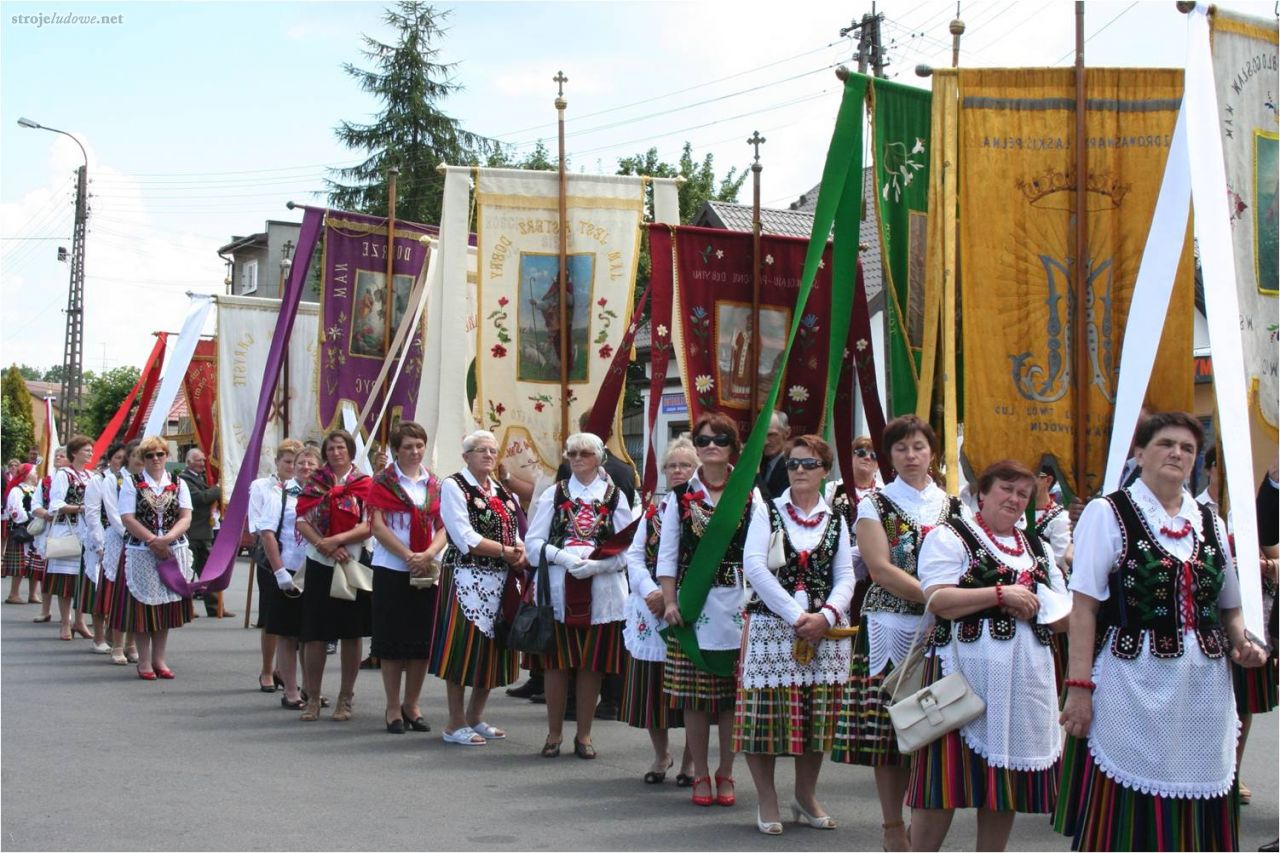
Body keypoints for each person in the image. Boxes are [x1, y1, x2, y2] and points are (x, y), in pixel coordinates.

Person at [1054, 412, 1268, 851]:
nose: (1177, 453)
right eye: (1166, 444)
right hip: (1131, 680)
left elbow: (1228, 607)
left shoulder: (1210, 521)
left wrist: (1243, 640)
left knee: (1200, 791)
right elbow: (1084, 608)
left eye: (1188, 448)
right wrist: (1079, 688)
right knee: (1128, 809)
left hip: (1204, 688)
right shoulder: (1108, 512)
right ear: (1140, 453)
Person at [907, 460, 1071, 851]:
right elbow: (937, 598)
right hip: (959, 675)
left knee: (1004, 782)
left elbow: (1065, 615)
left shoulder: (1038, 548)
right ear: (983, 492)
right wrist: (999, 595)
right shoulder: (950, 536)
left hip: (1021, 682)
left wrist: (1041, 608)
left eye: (1023, 495)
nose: (1014, 500)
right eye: (1006, 490)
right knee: (941, 784)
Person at [830, 414, 964, 852]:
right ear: (890, 456)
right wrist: (936, 598)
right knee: (890, 733)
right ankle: (891, 825)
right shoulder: (876, 504)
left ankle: (921, 824)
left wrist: (948, 604)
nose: (911, 456)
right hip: (891, 623)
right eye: (901, 448)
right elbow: (881, 570)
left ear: (933, 453)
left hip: (940, 630)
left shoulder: (954, 505)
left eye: (919, 447)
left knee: (933, 723)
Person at [738, 434, 855, 835]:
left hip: (823, 629)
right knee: (765, 717)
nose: (800, 471)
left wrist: (826, 615)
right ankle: (767, 797)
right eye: (793, 464)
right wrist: (795, 614)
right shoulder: (766, 510)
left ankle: (805, 795)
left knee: (814, 716)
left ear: (825, 471)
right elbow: (754, 566)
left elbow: (846, 577)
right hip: (773, 625)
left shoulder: (836, 518)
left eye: (808, 464)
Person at [657, 413, 758, 809]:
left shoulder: (750, 492)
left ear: (733, 446)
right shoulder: (680, 497)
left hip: (739, 602)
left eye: (720, 438)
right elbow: (667, 556)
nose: (711, 445)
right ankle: (699, 771)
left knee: (733, 699)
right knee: (696, 700)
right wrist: (668, 601)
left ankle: (726, 771)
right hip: (693, 603)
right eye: (703, 440)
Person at [525, 432, 633, 759]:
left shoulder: (615, 497)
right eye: (572, 453)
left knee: (591, 665)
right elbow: (532, 545)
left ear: (599, 457)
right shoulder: (554, 495)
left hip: (602, 593)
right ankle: (554, 733)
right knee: (556, 664)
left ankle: (584, 735)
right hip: (559, 589)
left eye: (584, 453)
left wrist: (596, 567)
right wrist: (565, 558)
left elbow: (629, 550)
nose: (577, 458)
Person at [432, 429, 527, 745]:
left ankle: (475, 715)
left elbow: (513, 529)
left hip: (499, 579)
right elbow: (464, 537)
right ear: (466, 456)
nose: (488, 455)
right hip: (466, 578)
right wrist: (505, 551)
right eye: (481, 450)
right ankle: (454, 722)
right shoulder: (453, 486)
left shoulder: (499, 489)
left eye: (492, 450)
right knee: (461, 648)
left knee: (493, 648)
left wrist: (520, 549)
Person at [621, 437, 695, 784]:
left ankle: (691, 761)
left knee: (695, 689)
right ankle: (661, 754)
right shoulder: (653, 509)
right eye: (672, 465)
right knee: (653, 688)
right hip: (651, 608)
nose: (678, 471)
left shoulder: (703, 508)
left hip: (689, 607)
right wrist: (652, 592)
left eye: (685, 465)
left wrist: (674, 598)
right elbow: (634, 556)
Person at [367, 422, 448, 735]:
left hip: (427, 568)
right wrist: (408, 556)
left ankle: (412, 703)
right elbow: (377, 526)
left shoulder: (435, 484)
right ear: (396, 451)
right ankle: (392, 705)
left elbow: (444, 526)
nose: (415, 452)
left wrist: (427, 554)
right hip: (392, 567)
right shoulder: (382, 482)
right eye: (408, 447)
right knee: (391, 640)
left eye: (419, 446)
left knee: (420, 640)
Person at [295, 429, 373, 722]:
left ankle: (346, 697)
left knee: (351, 633)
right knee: (315, 634)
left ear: (350, 451)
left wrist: (338, 542)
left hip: (352, 561)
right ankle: (312, 697)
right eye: (331, 449)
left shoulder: (364, 484)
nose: (336, 453)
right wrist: (324, 545)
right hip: (320, 562)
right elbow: (302, 519)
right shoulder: (315, 483)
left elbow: (370, 524)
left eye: (341, 448)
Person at [117, 437, 196, 679]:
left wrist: (168, 538)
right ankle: (144, 661)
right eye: (150, 455)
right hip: (142, 551)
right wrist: (153, 540)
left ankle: (159, 659)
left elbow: (186, 516)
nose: (156, 459)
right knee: (144, 607)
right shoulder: (132, 483)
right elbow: (127, 517)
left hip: (172, 549)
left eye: (160, 454)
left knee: (164, 606)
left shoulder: (178, 483)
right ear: (143, 458)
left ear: (167, 456)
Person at [249, 439, 304, 696]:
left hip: (300, 561)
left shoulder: (306, 488)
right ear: (278, 462)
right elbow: (257, 524)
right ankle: (267, 669)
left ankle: (286, 671)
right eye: (288, 462)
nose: (292, 466)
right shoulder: (263, 486)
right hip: (272, 559)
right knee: (273, 618)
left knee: (296, 622)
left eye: (297, 462)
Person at [46, 436, 96, 643]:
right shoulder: (63, 475)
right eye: (86, 450)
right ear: (74, 453)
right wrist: (81, 508)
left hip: (86, 533)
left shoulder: (91, 476)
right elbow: (55, 504)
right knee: (66, 580)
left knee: (82, 580)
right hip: (68, 530)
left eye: (91, 450)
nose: (90, 453)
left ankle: (79, 620)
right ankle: (65, 622)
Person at [82, 443, 129, 656]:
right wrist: (100, 543)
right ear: (110, 459)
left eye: (124, 458)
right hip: (102, 538)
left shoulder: (128, 480)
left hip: (123, 540)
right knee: (101, 588)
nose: (121, 461)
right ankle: (99, 636)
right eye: (118, 458)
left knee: (118, 591)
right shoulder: (99, 480)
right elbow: (92, 513)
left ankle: (114, 634)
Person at [179, 448, 229, 618]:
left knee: (209, 573)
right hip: (191, 533)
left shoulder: (200, 478)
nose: (202, 463)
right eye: (198, 460)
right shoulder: (184, 480)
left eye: (203, 460)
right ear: (188, 462)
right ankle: (186, 609)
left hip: (204, 532)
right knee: (188, 573)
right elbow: (200, 498)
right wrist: (218, 488)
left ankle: (215, 608)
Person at [28, 447, 67, 623]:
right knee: (46, 571)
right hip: (48, 531)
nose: (58, 458)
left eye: (62, 455)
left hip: (69, 530)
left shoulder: (77, 480)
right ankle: (45, 610)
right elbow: (35, 505)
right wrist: (46, 514)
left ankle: (69, 615)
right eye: (56, 455)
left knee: (68, 574)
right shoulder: (45, 482)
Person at [3, 464, 39, 605]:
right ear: (27, 474)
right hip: (21, 529)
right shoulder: (17, 490)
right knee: (21, 562)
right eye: (34, 472)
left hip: (35, 529)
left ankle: (33, 594)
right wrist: (29, 519)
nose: (37, 475)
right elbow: (15, 510)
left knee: (35, 562)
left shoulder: (36, 490)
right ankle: (13, 594)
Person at [1033, 464, 1073, 573]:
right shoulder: (1015, 513)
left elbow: (1060, 566)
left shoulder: (1061, 518)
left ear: (1048, 480)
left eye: (1033, 475)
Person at [756, 410, 792, 500]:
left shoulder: (793, 465)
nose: (765, 442)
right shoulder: (761, 460)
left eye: (771, 435)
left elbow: (774, 505)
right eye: (761, 435)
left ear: (787, 433)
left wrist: (756, 475)